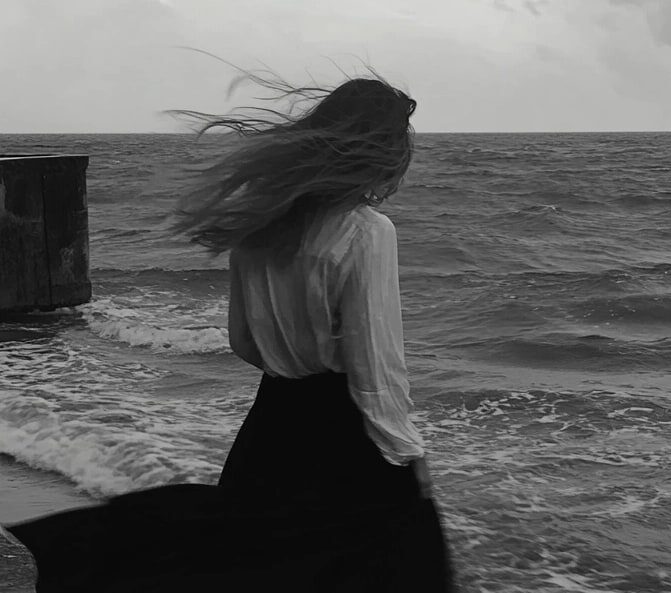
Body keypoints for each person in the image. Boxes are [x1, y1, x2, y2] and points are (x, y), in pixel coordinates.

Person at [2, 69, 455, 592]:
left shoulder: (260, 224)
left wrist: (292, 358)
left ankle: (76, 553)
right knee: (393, 567)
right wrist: (406, 451)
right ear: (381, 151)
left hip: (272, 428)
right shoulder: (367, 232)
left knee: (247, 561)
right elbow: (376, 368)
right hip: (347, 438)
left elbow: (243, 342)